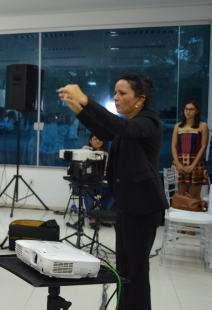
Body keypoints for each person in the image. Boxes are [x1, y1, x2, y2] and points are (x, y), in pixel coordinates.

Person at [59, 74, 167, 310]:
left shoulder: (147, 122)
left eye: (122, 93)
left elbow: (121, 128)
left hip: (144, 207)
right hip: (127, 205)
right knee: (124, 269)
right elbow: (106, 131)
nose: (116, 98)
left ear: (140, 99)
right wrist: (79, 109)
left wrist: (86, 100)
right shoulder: (128, 122)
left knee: (136, 271)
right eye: (115, 93)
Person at [171, 100, 209, 200]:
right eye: (186, 109)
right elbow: (173, 146)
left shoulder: (203, 125)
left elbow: (204, 146)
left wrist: (193, 165)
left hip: (196, 164)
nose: (188, 111)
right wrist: (178, 165)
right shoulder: (178, 126)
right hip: (180, 163)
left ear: (196, 111)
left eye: (191, 109)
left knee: (194, 198)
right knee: (181, 197)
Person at [81, 134, 114, 228]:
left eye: (100, 139)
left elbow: (106, 169)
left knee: (114, 191)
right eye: (95, 139)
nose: (98, 141)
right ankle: (92, 218)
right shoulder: (85, 150)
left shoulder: (106, 154)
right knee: (89, 191)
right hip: (86, 181)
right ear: (90, 141)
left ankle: (102, 215)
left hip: (101, 180)